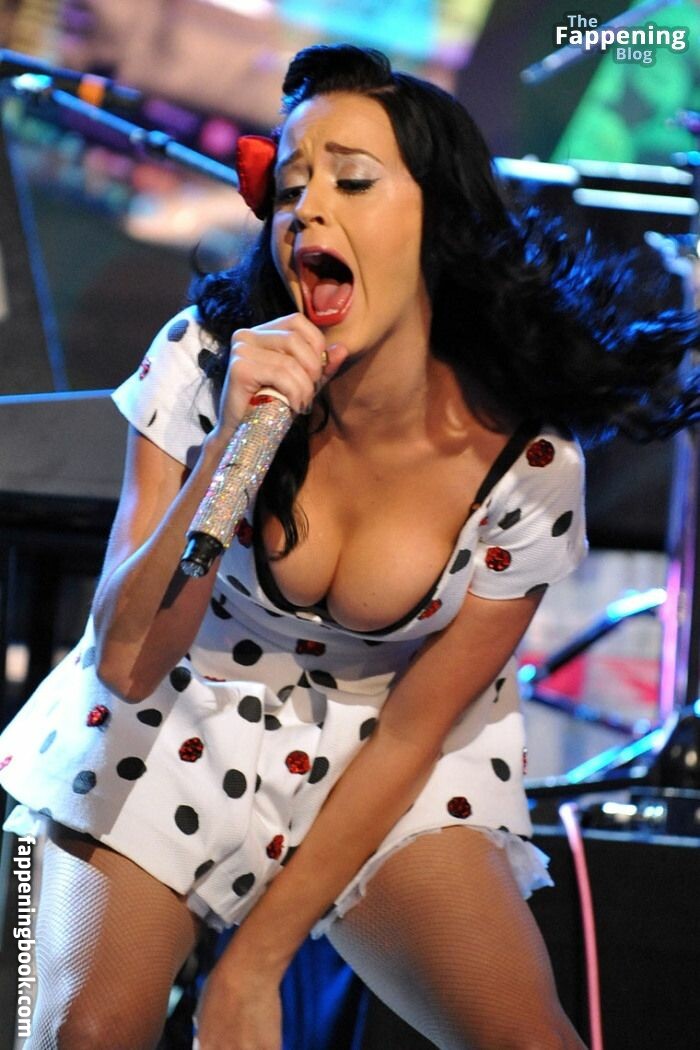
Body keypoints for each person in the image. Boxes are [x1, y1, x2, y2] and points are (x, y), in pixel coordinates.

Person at [1, 42, 698, 1050]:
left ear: (437, 219)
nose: (307, 211)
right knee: (77, 1033)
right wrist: (233, 447)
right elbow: (127, 660)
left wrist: (253, 968)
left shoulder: (526, 462)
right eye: (289, 188)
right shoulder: (203, 361)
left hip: (384, 754)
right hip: (167, 711)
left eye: (352, 181)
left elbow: (413, 733)